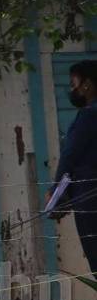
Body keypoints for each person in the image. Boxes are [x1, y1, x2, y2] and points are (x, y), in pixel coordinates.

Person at [47, 59, 97, 274]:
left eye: (73, 83)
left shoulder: (88, 115)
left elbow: (70, 156)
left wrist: (55, 193)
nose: (72, 89)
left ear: (87, 84)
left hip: (89, 199)